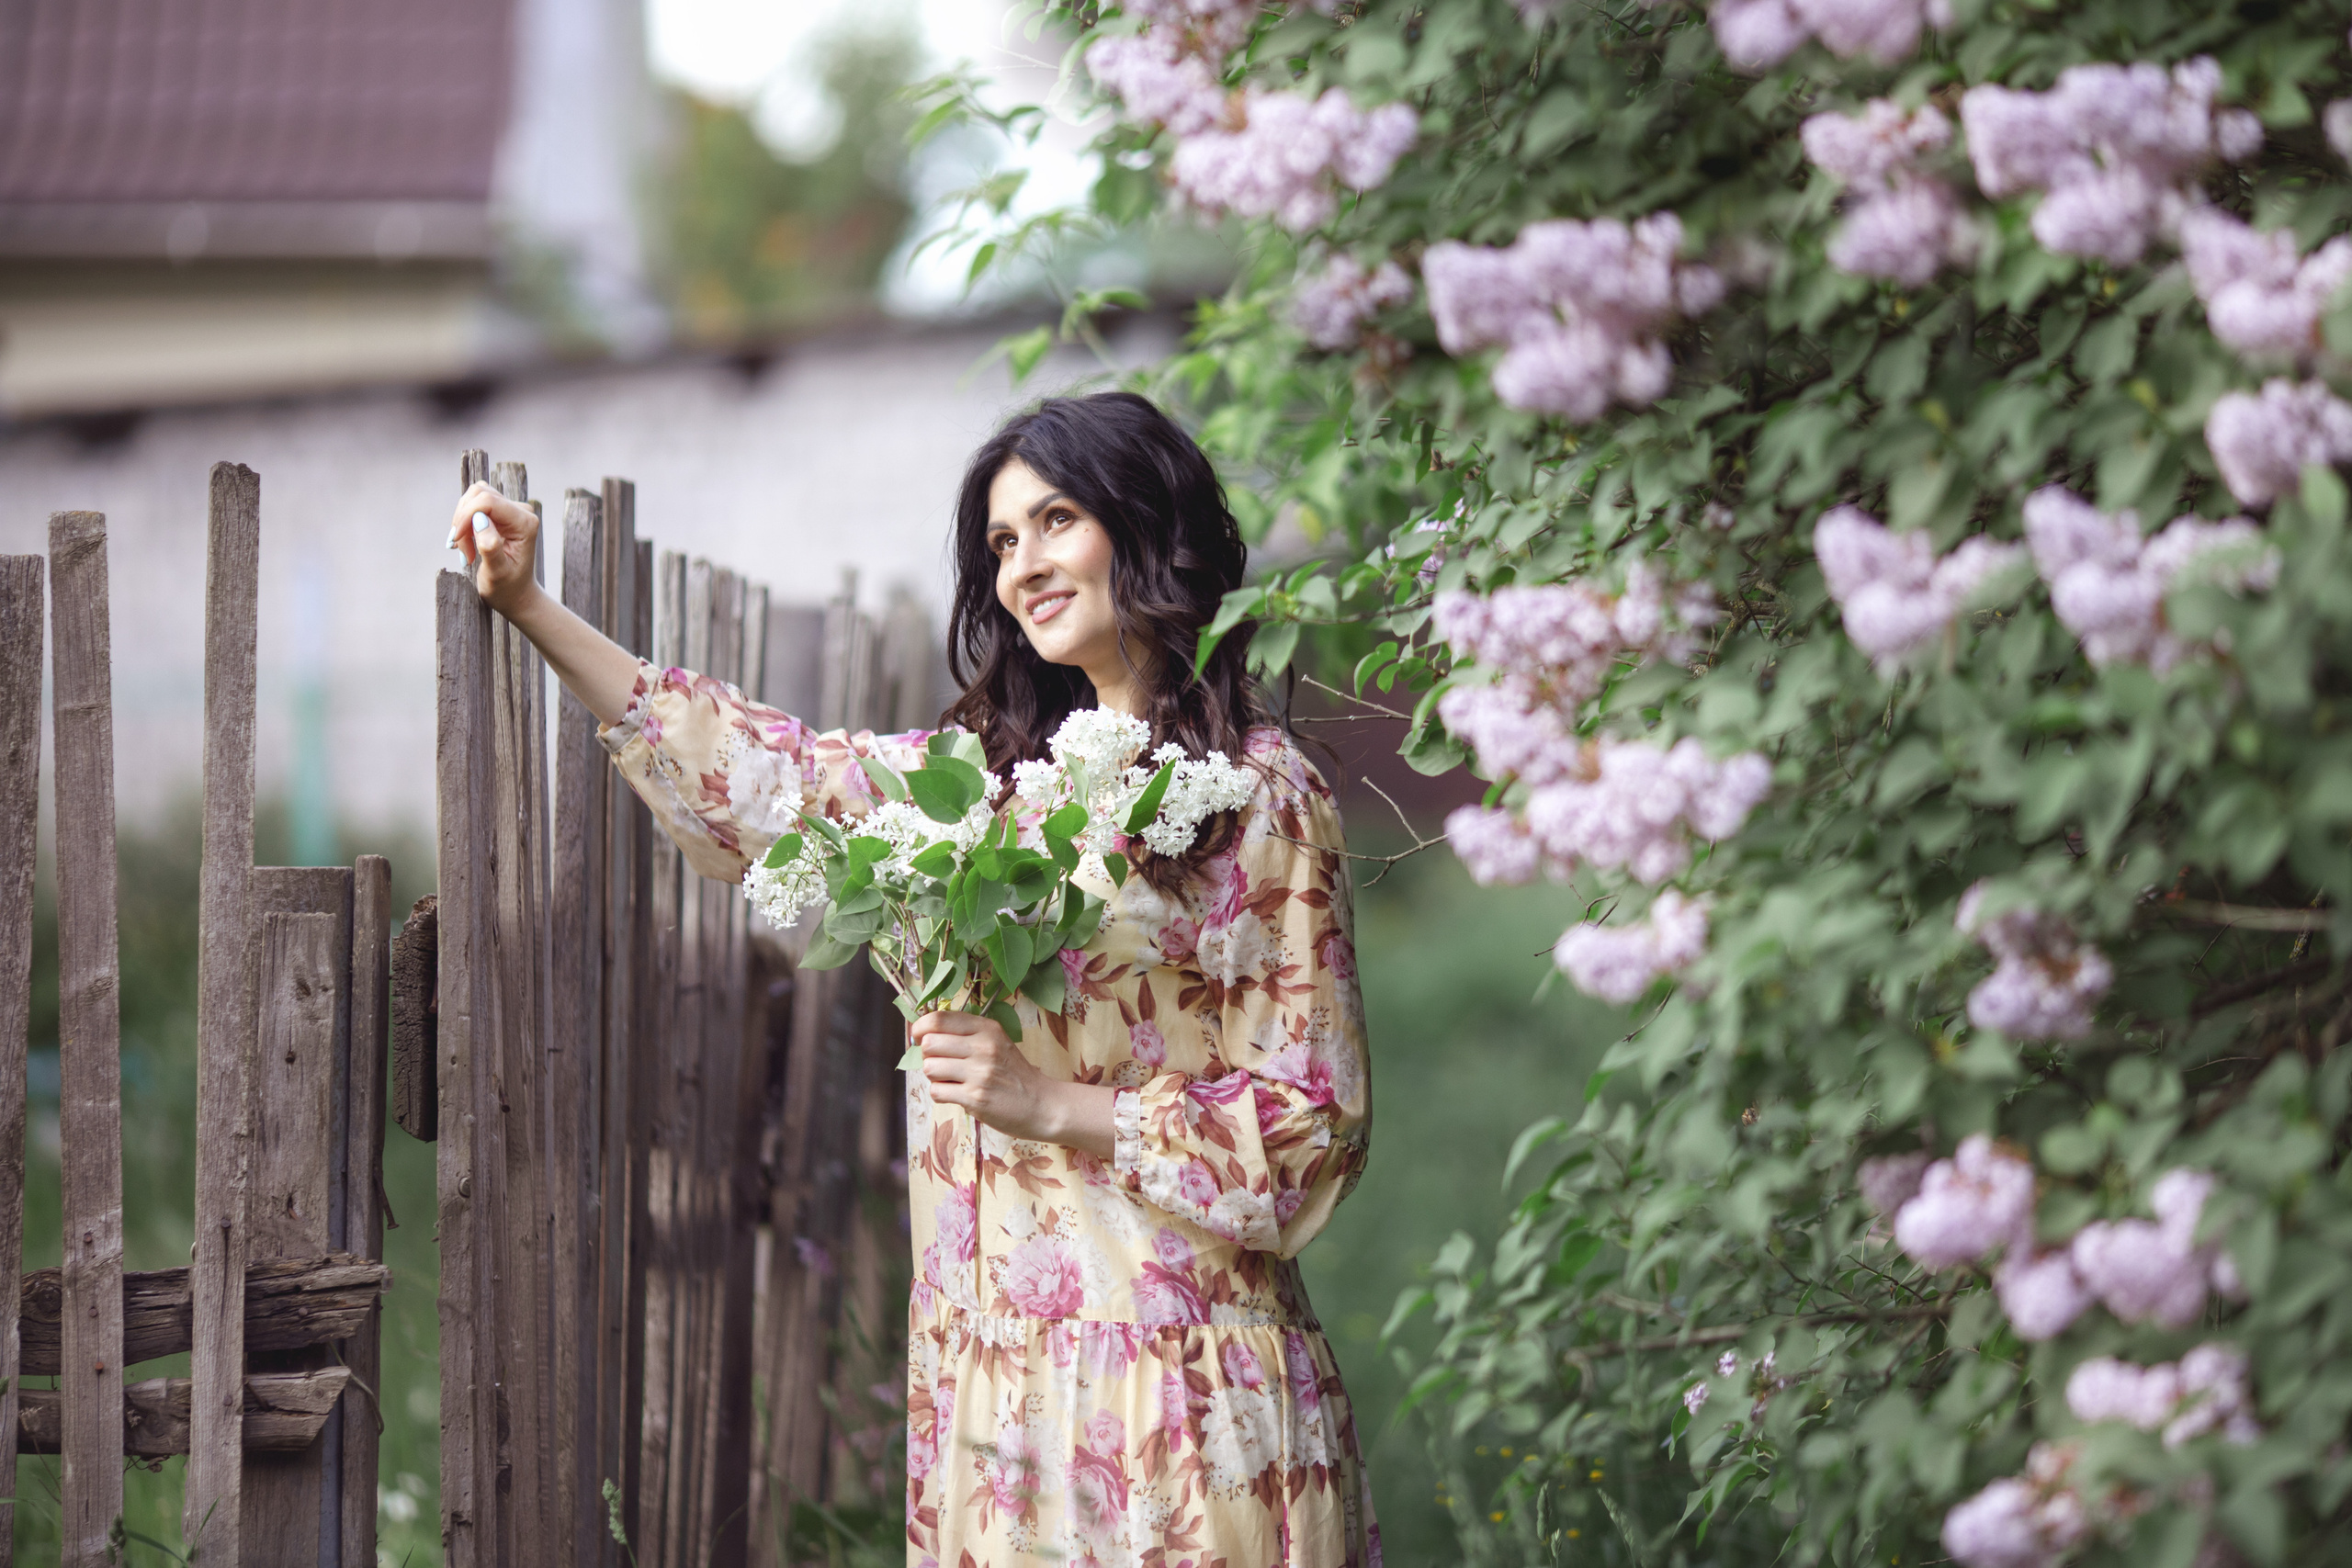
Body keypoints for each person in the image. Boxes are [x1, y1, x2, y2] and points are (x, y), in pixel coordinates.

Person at [447, 391, 1377, 1567]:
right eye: (1000, 543)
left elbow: (1313, 1126)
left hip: (1171, 1392)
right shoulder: (982, 794)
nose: (1022, 566)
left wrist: (1054, 1108)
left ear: (1145, 526)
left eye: (1055, 521)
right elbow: (764, 780)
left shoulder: (1261, 797)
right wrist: (531, 604)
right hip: (990, 1401)